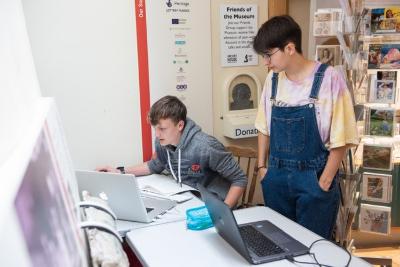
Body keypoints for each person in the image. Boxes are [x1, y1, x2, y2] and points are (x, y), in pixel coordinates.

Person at [253, 15, 358, 239]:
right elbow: (263, 126)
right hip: (276, 178)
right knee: (278, 243)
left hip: (314, 180)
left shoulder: (329, 79)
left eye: (268, 55)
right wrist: (262, 168)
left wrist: (325, 181)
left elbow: (342, 137)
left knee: (314, 247)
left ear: (289, 48)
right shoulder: (272, 79)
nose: (265, 62)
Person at [97, 95, 247, 208]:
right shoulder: (163, 142)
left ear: (180, 125)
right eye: (155, 128)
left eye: (162, 129)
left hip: (214, 205)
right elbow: (155, 165)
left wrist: (224, 214)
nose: (157, 134)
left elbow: (240, 179)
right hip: (188, 201)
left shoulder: (205, 146)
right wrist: (119, 171)